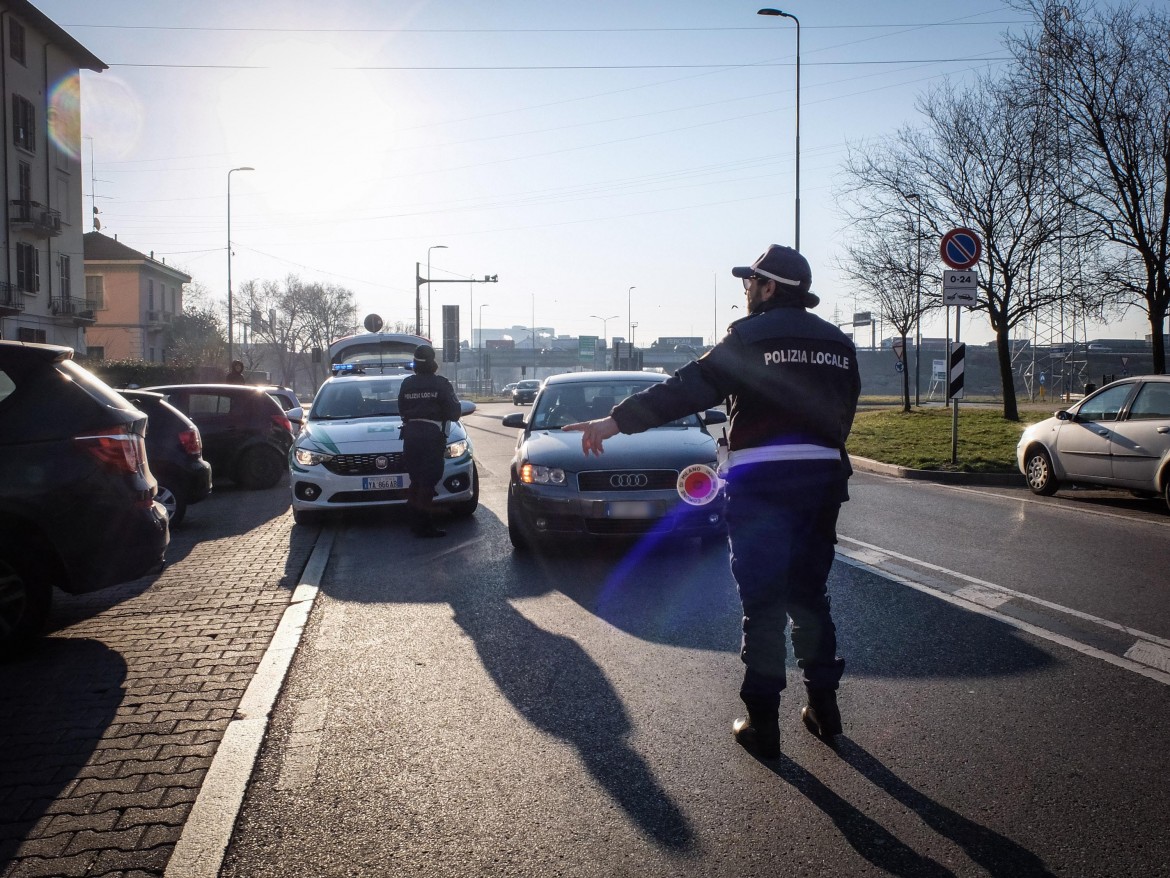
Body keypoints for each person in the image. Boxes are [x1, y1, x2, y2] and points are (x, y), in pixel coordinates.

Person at [565, 244, 860, 758]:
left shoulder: (747, 338)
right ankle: (824, 709)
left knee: (764, 604)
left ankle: (763, 723)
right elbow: (844, 414)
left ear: (769, 288)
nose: (745, 290)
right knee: (810, 598)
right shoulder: (839, 343)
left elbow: (685, 389)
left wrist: (616, 421)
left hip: (762, 488)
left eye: (751, 282)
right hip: (821, 484)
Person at [397, 344, 462, 538]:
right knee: (428, 480)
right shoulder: (441, 383)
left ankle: (414, 520)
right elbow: (455, 412)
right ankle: (424, 526)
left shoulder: (407, 384)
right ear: (433, 362)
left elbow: (401, 410)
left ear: (415, 364)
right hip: (432, 437)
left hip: (410, 436)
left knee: (416, 479)